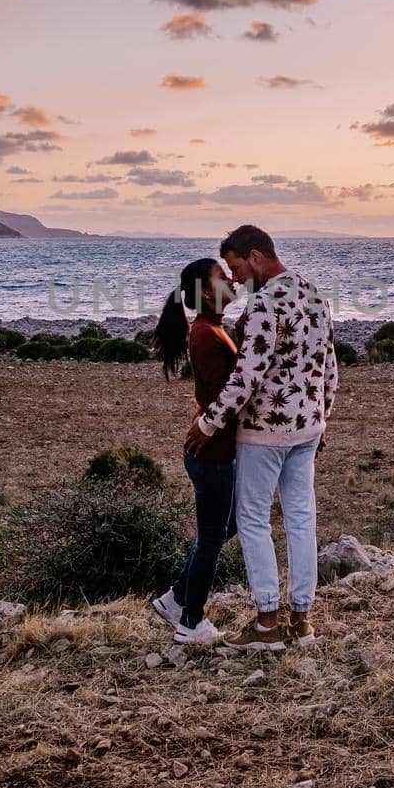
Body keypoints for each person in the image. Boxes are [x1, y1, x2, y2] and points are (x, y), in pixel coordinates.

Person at [185, 224, 337, 652]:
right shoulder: (315, 297)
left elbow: (245, 378)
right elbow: (329, 368)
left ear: (255, 257)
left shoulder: (264, 306)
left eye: (235, 268)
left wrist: (208, 423)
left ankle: (267, 623)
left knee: (253, 520)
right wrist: (322, 418)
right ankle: (303, 623)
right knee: (301, 518)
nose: (233, 279)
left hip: (265, 433)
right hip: (307, 429)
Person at [151, 257, 239, 646]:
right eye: (223, 276)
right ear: (206, 290)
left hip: (214, 452)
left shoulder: (214, 328)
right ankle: (191, 620)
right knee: (211, 536)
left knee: (226, 527)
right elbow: (226, 399)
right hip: (212, 455)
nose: (233, 279)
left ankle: (177, 597)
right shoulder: (206, 333)